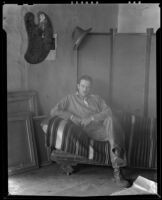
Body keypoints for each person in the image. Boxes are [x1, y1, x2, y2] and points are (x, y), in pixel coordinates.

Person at [48, 75, 130, 187]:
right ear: (78, 86)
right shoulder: (69, 99)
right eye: (83, 86)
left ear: (91, 88)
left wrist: (92, 118)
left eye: (88, 87)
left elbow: (108, 112)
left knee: (111, 121)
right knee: (115, 134)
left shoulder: (97, 98)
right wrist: (71, 117)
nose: (85, 89)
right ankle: (117, 173)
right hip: (89, 130)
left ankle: (117, 167)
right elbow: (54, 111)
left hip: (103, 127)